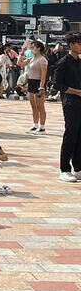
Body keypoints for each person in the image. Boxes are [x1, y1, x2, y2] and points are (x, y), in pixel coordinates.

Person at [55, 32, 81, 182]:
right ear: (71, 45)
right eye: (79, 43)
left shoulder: (79, 62)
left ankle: (78, 168)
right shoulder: (63, 62)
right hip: (70, 102)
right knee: (70, 134)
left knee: (79, 135)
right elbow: (57, 85)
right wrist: (76, 92)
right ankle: (64, 169)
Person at [19, 40, 48, 133]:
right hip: (31, 81)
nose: (31, 49)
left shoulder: (42, 59)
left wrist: (41, 86)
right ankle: (35, 125)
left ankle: (42, 127)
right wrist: (22, 52)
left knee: (40, 106)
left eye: (33, 47)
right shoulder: (31, 58)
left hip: (38, 82)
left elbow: (44, 75)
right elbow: (20, 64)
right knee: (33, 106)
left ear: (38, 48)